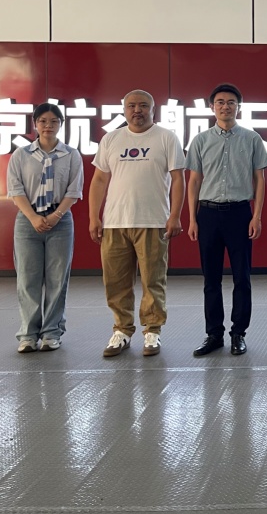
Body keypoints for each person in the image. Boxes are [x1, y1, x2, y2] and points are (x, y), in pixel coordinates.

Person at [88, 90, 186, 358]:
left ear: (153, 109)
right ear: (124, 110)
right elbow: (99, 180)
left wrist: (175, 215)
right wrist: (94, 217)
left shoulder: (166, 137)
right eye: (131, 106)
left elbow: (178, 178)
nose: (137, 110)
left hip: (153, 221)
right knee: (116, 281)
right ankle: (122, 330)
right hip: (115, 222)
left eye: (143, 105)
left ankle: (152, 331)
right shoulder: (111, 139)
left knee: (153, 280)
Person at [186, 83, 267, 357]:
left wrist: (257, 216)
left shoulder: (252, 138)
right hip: (208, 214)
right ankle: (214, 334)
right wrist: (193, 219)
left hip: (239, 214)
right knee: (211, 279)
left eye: (231, 102)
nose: (225, 106)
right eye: (220, 102)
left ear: (238, 107)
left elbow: (260, 179)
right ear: (212, 107)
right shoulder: (200, 140)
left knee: (241, 278)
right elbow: (194, 181)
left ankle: (238, 334)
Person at [6, 103, 84, 353]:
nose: (48, 126)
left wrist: (56, 215)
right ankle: (28, 334)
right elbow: (15, 190)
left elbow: (74, 190)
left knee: (57, 279)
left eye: (53, 121)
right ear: (35, 124)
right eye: (43, 121)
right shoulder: (21, 155)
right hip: (28, 221)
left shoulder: (71, 155)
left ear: (61, 124)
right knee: (27, 278)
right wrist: (33, 217)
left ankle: (51, 332)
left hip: (60, 221)